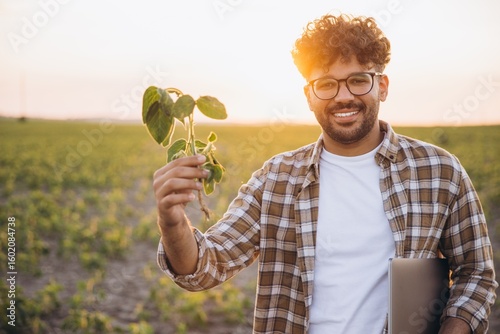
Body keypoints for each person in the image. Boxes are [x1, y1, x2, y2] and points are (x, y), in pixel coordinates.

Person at [152, 14, 497, 333]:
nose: (343, 96)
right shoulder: (276, 180)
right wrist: (172, 222)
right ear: (309, 95)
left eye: (358, 80)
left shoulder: (438, 171)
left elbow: (476, 273)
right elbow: (206, 266)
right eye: (326, 84)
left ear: (383, 86)